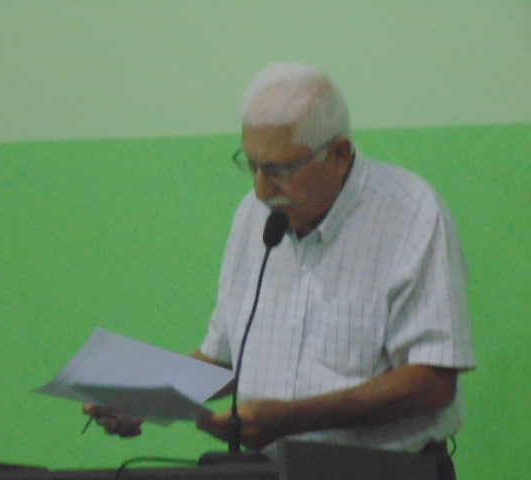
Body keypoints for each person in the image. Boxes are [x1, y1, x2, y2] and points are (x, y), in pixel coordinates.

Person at [84, 63, 476, 479]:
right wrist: (144, 398)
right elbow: (225, 359)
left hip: (385, 471)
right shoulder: (253, 217)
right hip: (270, 471)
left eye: (278, 170)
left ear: (339, 155)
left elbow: (433, 383)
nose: (260, 189)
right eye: (251, 165)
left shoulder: (413, 215)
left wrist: (293, 418)